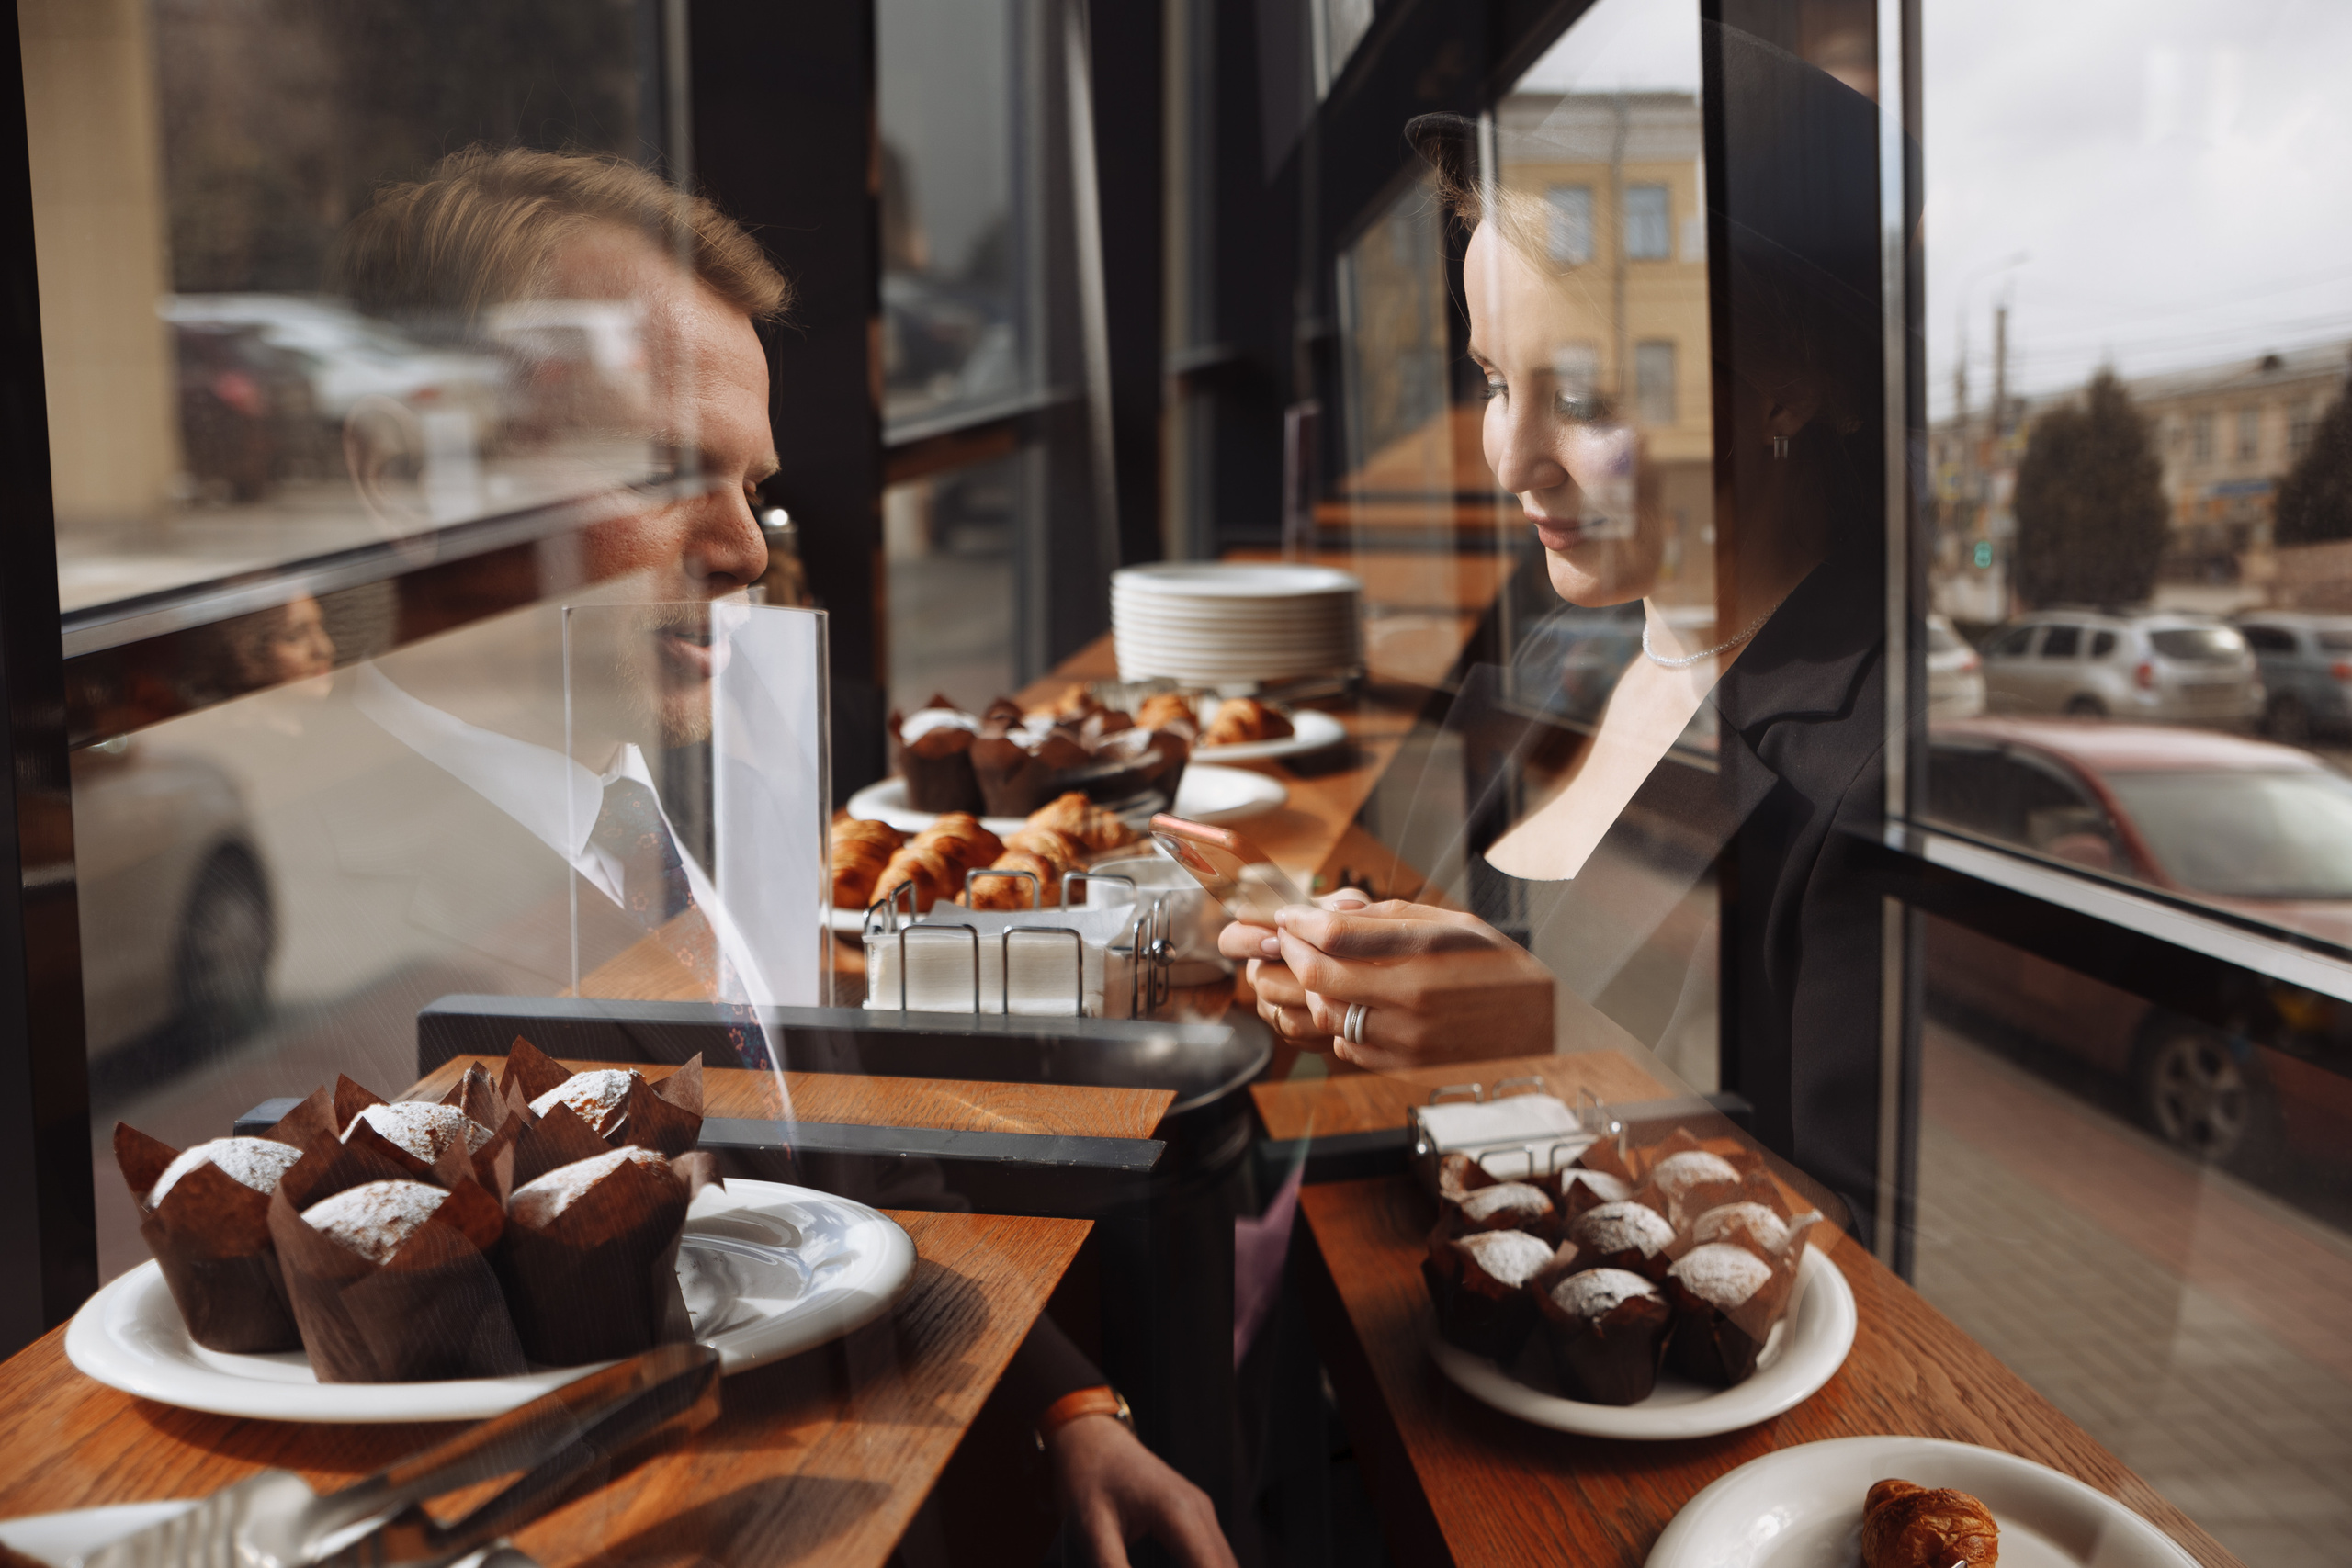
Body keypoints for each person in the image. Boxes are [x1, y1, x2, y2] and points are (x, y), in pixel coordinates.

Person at [331, 146, 1234, 1568]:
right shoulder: (342, 937)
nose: (745, 552)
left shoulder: (667, 801)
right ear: (402, 471)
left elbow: (829, 1146)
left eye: (752, 485)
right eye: (661, 470)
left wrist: (1068, 1402)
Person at [1222, 28, 1896, 1243]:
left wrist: (1546, 1038)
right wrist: (1348, 982)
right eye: (1492, 379)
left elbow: (1881, 1260)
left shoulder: (1878, 766)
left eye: (1581, 396)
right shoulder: (1562, 659)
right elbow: (1482, 1028)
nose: (1511, 462)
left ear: (1789, 380)